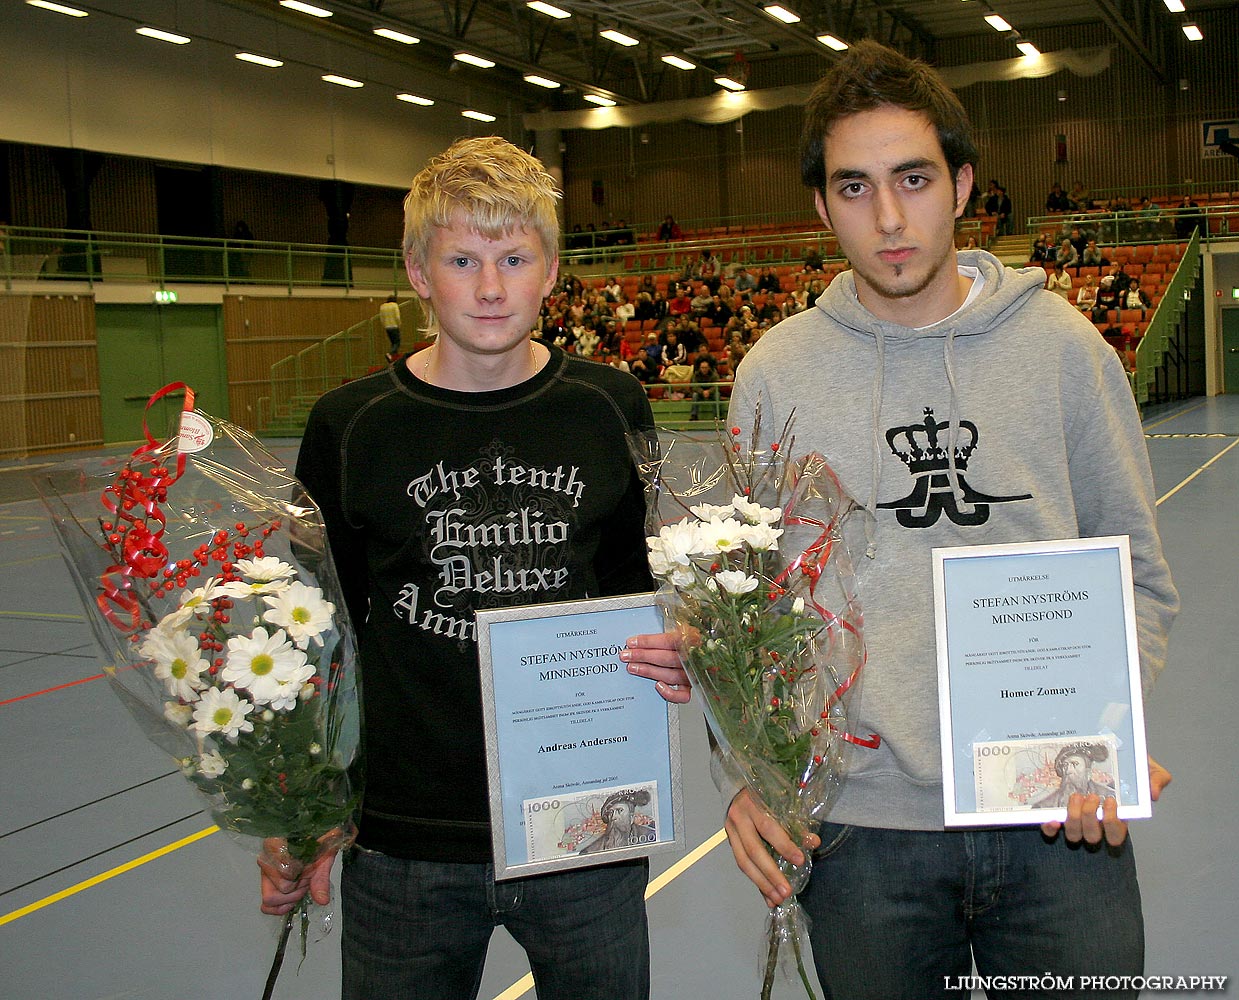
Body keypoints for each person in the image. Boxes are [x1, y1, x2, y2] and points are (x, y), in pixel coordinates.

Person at [713, 41, 1177, 1000]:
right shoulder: (774, 375)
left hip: (1055, 817)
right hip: (858, 835)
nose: (887, 218)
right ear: (819, 206)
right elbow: (736, 608)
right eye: (853, 188)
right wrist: (745, 770)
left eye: (913, 179)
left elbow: (1135, 570)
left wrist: (1104, 729)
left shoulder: (1062, 349)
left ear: (962, 185)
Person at [260, 136, 689, 1000]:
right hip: (403, 839)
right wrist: (299, 808)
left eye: (513, 257)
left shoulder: (609, 405)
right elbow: (316, 635)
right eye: (462, 259)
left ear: (551, 268)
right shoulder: (352, 425)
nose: (490, 287)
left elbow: (632, 593)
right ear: (419, 273)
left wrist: (673, 648)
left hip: (584, 822)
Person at [1032, 743, 1118, 809]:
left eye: (1075, 764)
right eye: (1065, 765)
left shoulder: (1110, 796)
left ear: (1088, 772)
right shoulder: (1043, 806)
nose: (1068, 771)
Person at [378, 294, 402, 362]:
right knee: (397, 342)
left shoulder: (382, 307)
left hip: (387, 327)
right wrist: (399, 324)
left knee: (392, 342)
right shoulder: (394, 305)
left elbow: (381, 318)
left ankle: (393, 356)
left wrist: (384, 325)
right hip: (394, 326)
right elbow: (397, 316)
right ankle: (390, 353)